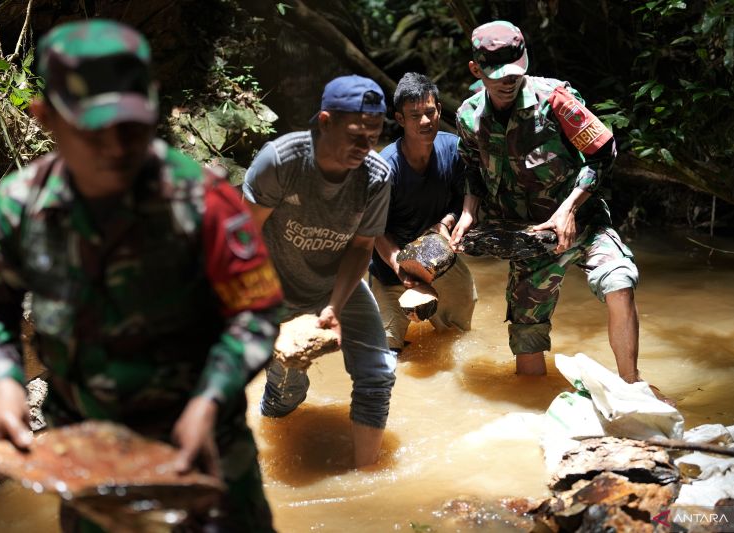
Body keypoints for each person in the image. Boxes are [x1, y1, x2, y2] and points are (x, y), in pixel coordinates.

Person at [0, 20, 284, 531]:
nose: (114, 146)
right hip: (90, 467)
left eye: (129, 128)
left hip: (204, 454)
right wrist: (5, 387)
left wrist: (209, 401)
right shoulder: (17, 210)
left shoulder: (204, 202)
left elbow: (256, 312)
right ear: (46, 119)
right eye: (93, 128)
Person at [451, 21, 673, 404]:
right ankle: (536, 409)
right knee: (526, 346)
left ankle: (632, 385)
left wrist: (570, 208)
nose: (508, 81)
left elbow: (603, 152)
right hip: (528, 238)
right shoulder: (470, 117)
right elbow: (471, 168)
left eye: (515, 72)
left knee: (619, 279)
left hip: (582, 223)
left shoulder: (555, 99)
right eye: (497, 75)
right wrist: (469, 213)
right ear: (476, 70)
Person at [243, 75, 397, 467]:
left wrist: (334, 307)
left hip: (336, 283)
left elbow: (362, 248)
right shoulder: (281, 161)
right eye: (356, 136)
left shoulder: (376, 176)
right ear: (325, 122)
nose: (366, 148)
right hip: (274, 285)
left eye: (374, 136)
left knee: (378, 374)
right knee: (287, 392)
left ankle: (368, 477)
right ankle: (268, 452)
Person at [369, 72, 477, 352]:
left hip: (439, 259)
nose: (425, 121)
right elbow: (375, 232)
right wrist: (401, 269)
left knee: (458, 338)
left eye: (430, 112)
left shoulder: (453, 149)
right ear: (400, 119)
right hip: (390, 268)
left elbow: (463, 197)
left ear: (440, 110)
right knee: (387, 352)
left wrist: (448, 221)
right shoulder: (385, 169)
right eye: (415, 115)